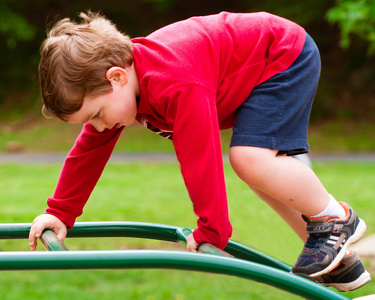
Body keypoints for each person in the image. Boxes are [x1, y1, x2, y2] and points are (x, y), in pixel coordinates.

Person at [29, 11, 370, 290]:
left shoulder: (175, 83)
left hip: (280, 56)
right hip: (257, 70)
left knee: (250, 159)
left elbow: (200, 159)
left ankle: (336, 219)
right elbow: (88, 151)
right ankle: (337, 262)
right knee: (260, 171)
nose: (100, 126)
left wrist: (212, 230)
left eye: (98, 115)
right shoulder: (122, 88)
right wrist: (60, 211)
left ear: (117, 77)